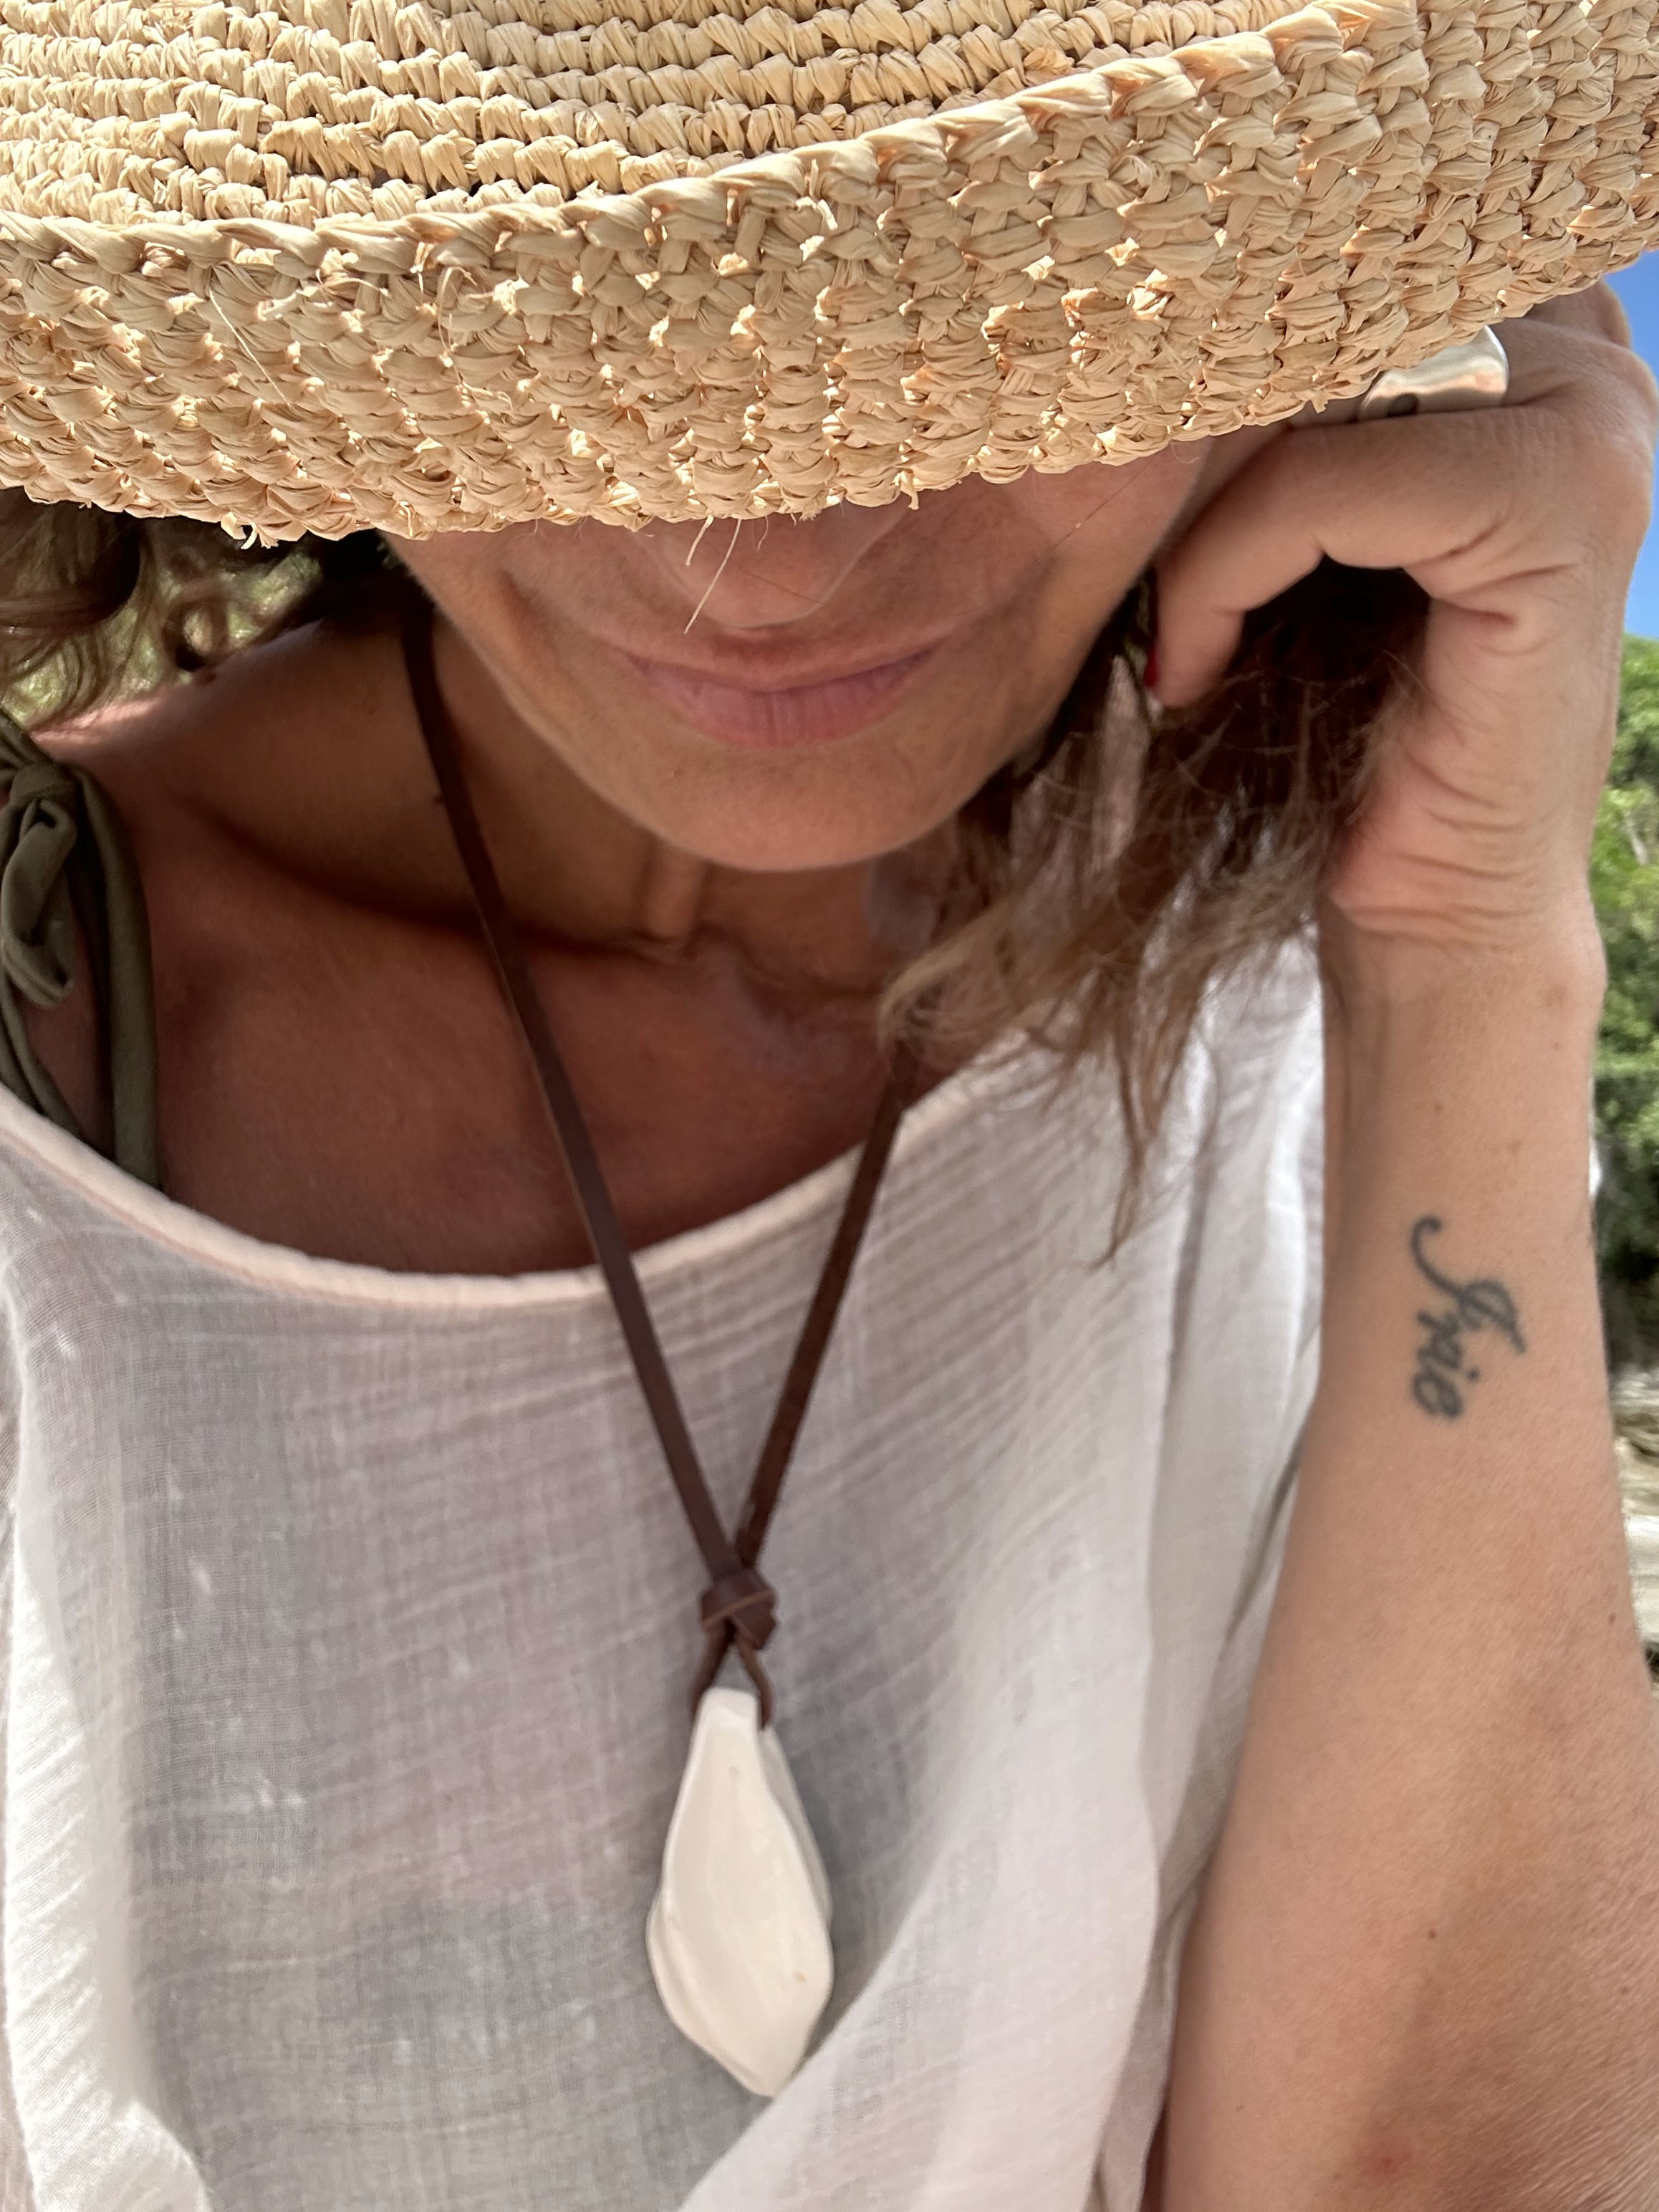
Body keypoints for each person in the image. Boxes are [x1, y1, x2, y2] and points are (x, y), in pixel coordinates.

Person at [0, 2, 1656, 2205]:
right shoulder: (56, 1103)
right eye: (555, 311)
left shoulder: (1282, 1036)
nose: (767, 571)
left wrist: (1462, 963)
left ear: (1285, 321)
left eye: (997, 325)